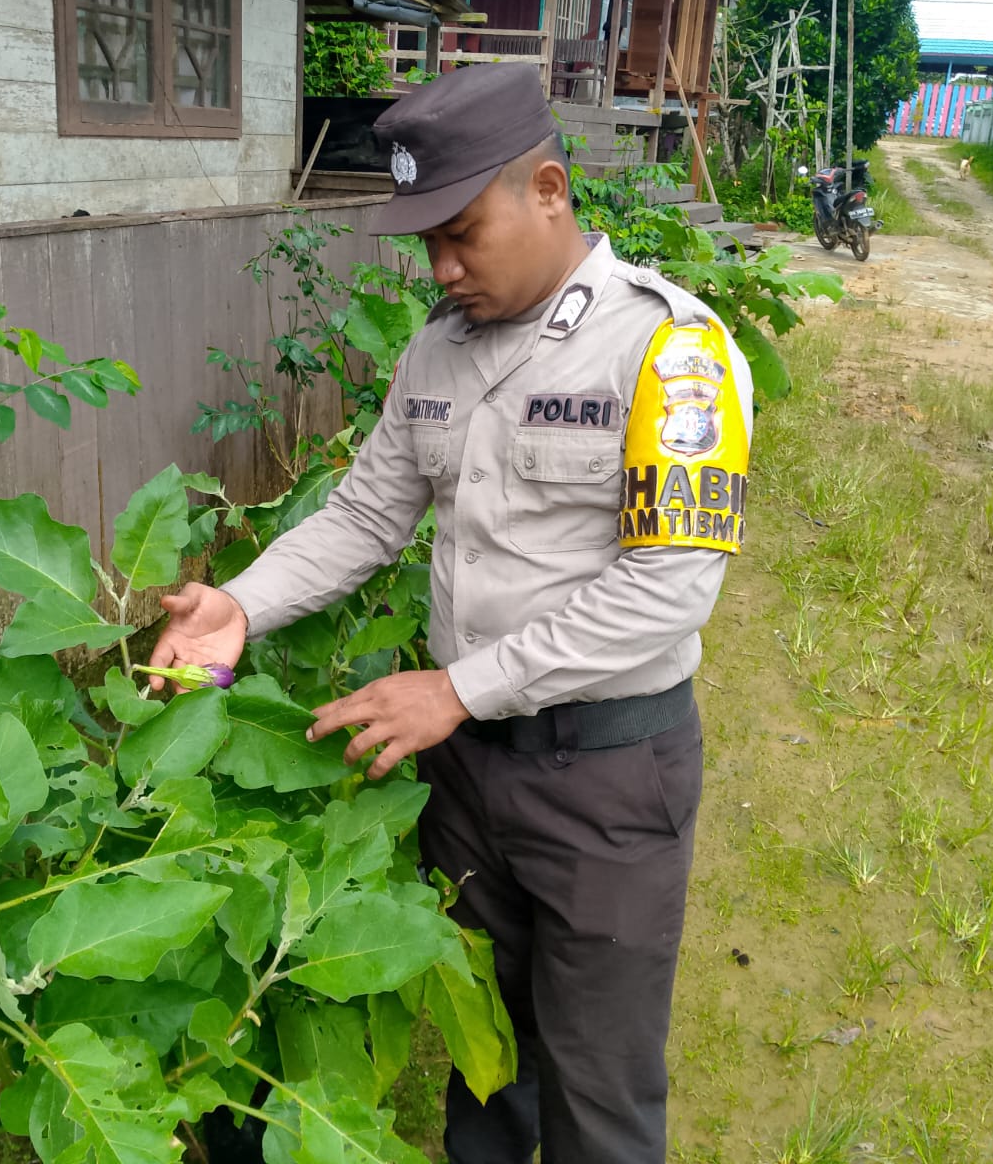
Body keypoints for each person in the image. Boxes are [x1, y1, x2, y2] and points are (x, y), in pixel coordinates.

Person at [149, 62, 752, 1164]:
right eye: (425, 241)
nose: (442, 265)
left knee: (598, 1092)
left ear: (551, 191)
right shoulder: (437, 348)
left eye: (462, 232)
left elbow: (665, 590)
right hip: (470, 773)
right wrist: (238, 603)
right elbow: (367, 513)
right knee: (484, 1062)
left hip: (607, 781)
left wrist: (456, 689)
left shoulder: (668, 350)